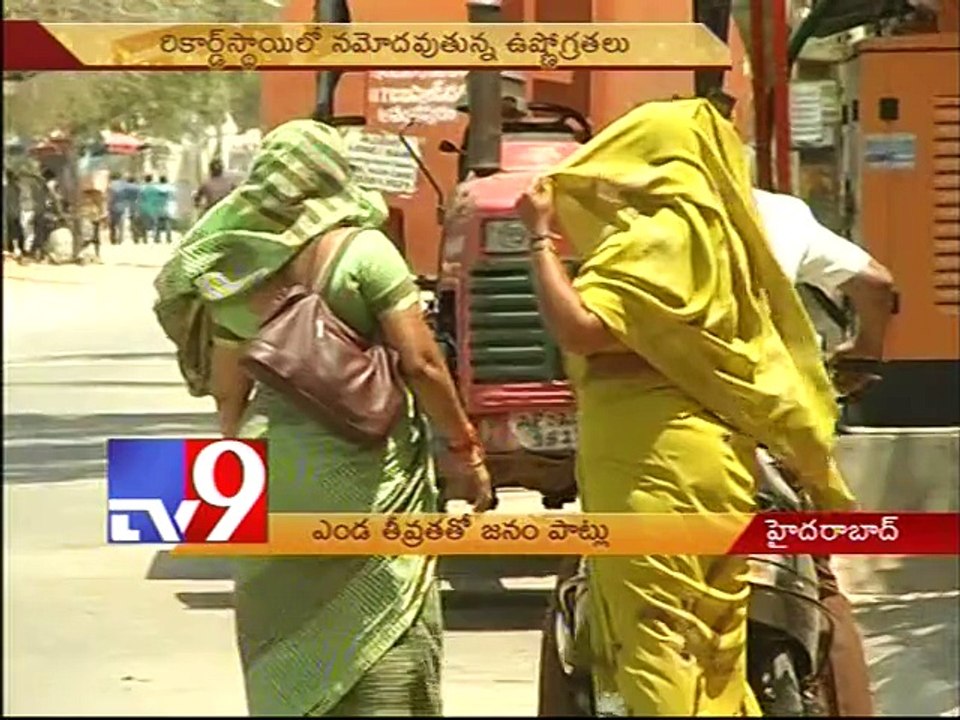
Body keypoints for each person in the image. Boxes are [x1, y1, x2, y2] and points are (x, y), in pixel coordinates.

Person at [518, 98, 855, 716]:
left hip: (655, 469)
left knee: (656, 644)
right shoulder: (721, 237)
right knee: (714, 648)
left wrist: (538, 237)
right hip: (716, 462)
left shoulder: (659, 236)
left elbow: (583, 330)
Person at [153, 119, 493, 717]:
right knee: (386, 618)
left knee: (279, 618)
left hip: (271, 472)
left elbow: (228, 396)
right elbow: (421, 361)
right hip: (368, 470)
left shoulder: (229, 268)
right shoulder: (364, 250)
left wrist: (233, 472)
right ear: (334, 174)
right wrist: (464, 449)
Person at [753, 187, 896, 717]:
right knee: (818, 583)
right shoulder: (776, 210)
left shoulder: (632, 207)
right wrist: (863, 353)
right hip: (778, 428)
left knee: (592, 579)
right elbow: (877, 283)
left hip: (659, 436)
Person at [4, 169, 27, 257]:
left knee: (11, 231)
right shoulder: (17, 188)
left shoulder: (6, 188)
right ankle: (17, 248)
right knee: (16, 231)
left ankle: (12, 249)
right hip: (16, 212)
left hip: (9, 212)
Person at [138, 174, 163, 244]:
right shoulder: (155, 189)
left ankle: (145, 239)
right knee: (155, 224)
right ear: (151, 179)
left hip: (144, 208)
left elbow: (139, 199)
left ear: (145, 180)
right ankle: (156, 238)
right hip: (154, 208)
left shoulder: (142, 189)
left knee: (144, 225)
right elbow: (158, 199)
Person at [107, 172, 128, 245]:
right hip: (122, 206)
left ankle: (113, 239)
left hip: (112, 207)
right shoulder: (124, 185)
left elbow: (109, 197)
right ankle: (120, 239)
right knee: (121, 224)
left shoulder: (109, 185)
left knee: (112, 225)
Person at [154, 175, 175, 244]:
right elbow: (173, 198)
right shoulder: (170, 188)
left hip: (159, 207)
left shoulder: (156, 188)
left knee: (157, 224)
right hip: (168, 207)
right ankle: (168, 238)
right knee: (168, 223)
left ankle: (157, 238)